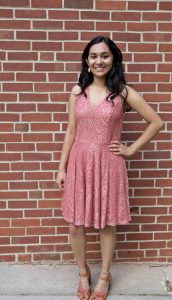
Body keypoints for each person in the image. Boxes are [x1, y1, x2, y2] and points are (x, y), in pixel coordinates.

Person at [56, 36, 163, 300]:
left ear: (113, 59)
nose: (98, 61)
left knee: (106, 225)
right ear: (86, 61)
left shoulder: (122, 92)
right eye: (93, 56)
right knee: (74, 225)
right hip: (79, 163)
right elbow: (71, 131)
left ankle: (104, 275)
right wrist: (62, 167)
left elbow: (156, 121)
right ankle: (83, 273)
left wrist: (131, 149)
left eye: (104, 55)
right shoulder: (77, 92)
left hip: (108, 164)